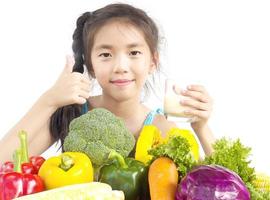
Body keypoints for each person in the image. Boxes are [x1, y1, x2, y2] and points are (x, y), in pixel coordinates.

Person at [0, 3, 215, 163]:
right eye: (105, 54)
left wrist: (202, 128)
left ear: (152, 62)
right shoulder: (72, 114)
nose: (120, 66)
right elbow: (4, 162)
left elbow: (222, 189)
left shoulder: (161, 128)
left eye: (134, 52)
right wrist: (49, 100)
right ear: (90, 65)